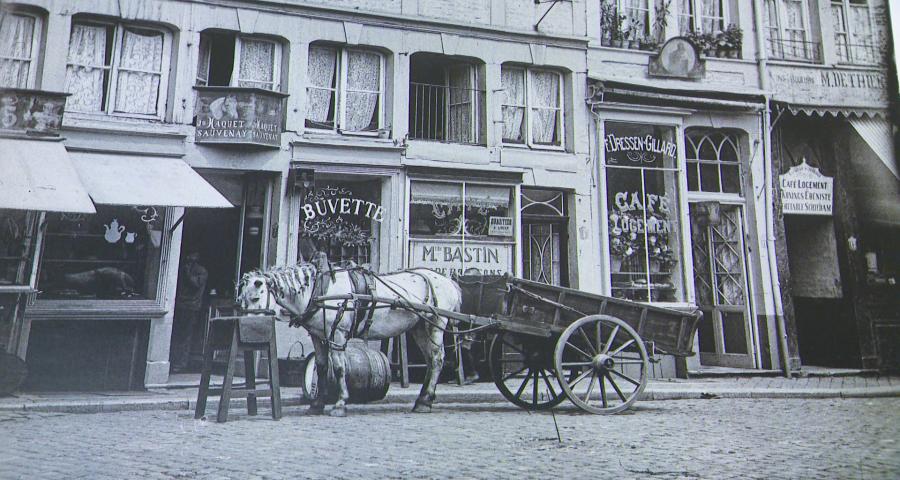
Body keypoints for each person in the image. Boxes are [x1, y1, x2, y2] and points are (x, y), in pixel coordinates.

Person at [170, 251, 208, 373]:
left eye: (192, 255)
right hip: (181, 305)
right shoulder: (184, 269)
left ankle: (182, 363)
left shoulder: (201, 271)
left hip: (192, 306)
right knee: (178, 334)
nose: (189, 258)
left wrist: (187, 274)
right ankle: (175, 360)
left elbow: (196, 284)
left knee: (186, 335)